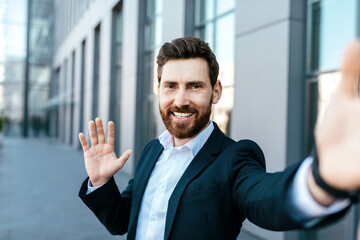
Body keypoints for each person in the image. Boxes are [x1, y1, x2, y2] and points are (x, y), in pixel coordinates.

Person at [78, 36, 360, 240]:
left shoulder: (234, 158)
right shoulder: (152, 150)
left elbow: (266, 197)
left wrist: (320, 182)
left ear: (216, 92)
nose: (181, 100)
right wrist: (101, 182)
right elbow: (122, 221)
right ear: (159, 90)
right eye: (171, 86)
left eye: (195, 86)